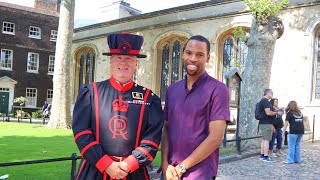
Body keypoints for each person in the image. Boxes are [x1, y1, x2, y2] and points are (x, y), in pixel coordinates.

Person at [72, 33, 164, 180]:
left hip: (133, 173)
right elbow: (81, 133)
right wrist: (107, 165)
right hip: (94, 171)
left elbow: (151, 140)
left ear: (136, 63)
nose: (123, 63)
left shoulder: (150, 99)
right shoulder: (90, 93)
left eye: (129, 58)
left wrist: (127, 166)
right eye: (118, 58)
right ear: (111, 61)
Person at [160, 35, 230, 180]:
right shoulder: (172, 90)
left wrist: (181, 168)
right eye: (189, 53)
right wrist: (165, 163)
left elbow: (215, 138)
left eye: (199, 55)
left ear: (208, 58)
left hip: (199, 174)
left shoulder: (217, 90)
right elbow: (166, 128)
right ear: (183, 54)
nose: (193, 58)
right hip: (169, 173)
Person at [257, 89, 284, 163]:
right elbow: (268, 113)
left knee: (264, 140)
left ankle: (262, 155)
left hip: (264, 123)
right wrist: (277, 113)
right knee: (266, 140)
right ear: (267, 93)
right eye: (271, 93)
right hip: (266, 123)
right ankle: (266, 156)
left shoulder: (263, 101)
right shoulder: (265, 101)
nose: (272, 94)